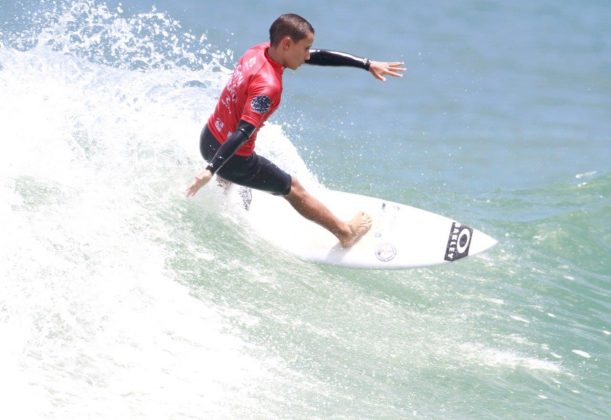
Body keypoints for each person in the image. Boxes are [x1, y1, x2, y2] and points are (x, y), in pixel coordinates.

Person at [186, 13, 405, 248]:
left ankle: (223, 186)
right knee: (294, 189)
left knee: (238, 143)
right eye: (306, 48)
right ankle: (345, 232)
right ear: (287, 44)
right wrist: (210, 170)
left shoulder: (257, 51)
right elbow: (242, 132)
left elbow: (318, 57)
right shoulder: (268, 86)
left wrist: (366, 64)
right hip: (232, 160)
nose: (308, 55)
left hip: (208, 138)